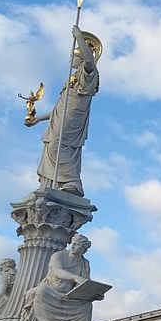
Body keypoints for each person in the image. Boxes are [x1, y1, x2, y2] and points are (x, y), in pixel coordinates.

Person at [25, 26, 101, 196]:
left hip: (74, 119)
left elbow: (89, 62)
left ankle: (72, 182)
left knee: (58, 146)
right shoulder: (71, 81)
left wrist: (79, 37)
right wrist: (37, 120)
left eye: (73, 56)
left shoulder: (87, 74)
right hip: (62, 117)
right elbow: (58, 110)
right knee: (51, 146)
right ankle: (54, 184)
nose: (70, 60)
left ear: (81, 56)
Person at [21, 234, 103, 321]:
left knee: (86, 305)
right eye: (73, 244)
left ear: (84, 249)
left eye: (77, 245)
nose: (73, 246)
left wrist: (94, 294)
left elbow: (85, 283)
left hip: (69, 295)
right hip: (51, 289)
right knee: (41, 291)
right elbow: (58, 271)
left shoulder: (85, 263)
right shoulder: (59, 255)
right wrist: (75, 277)